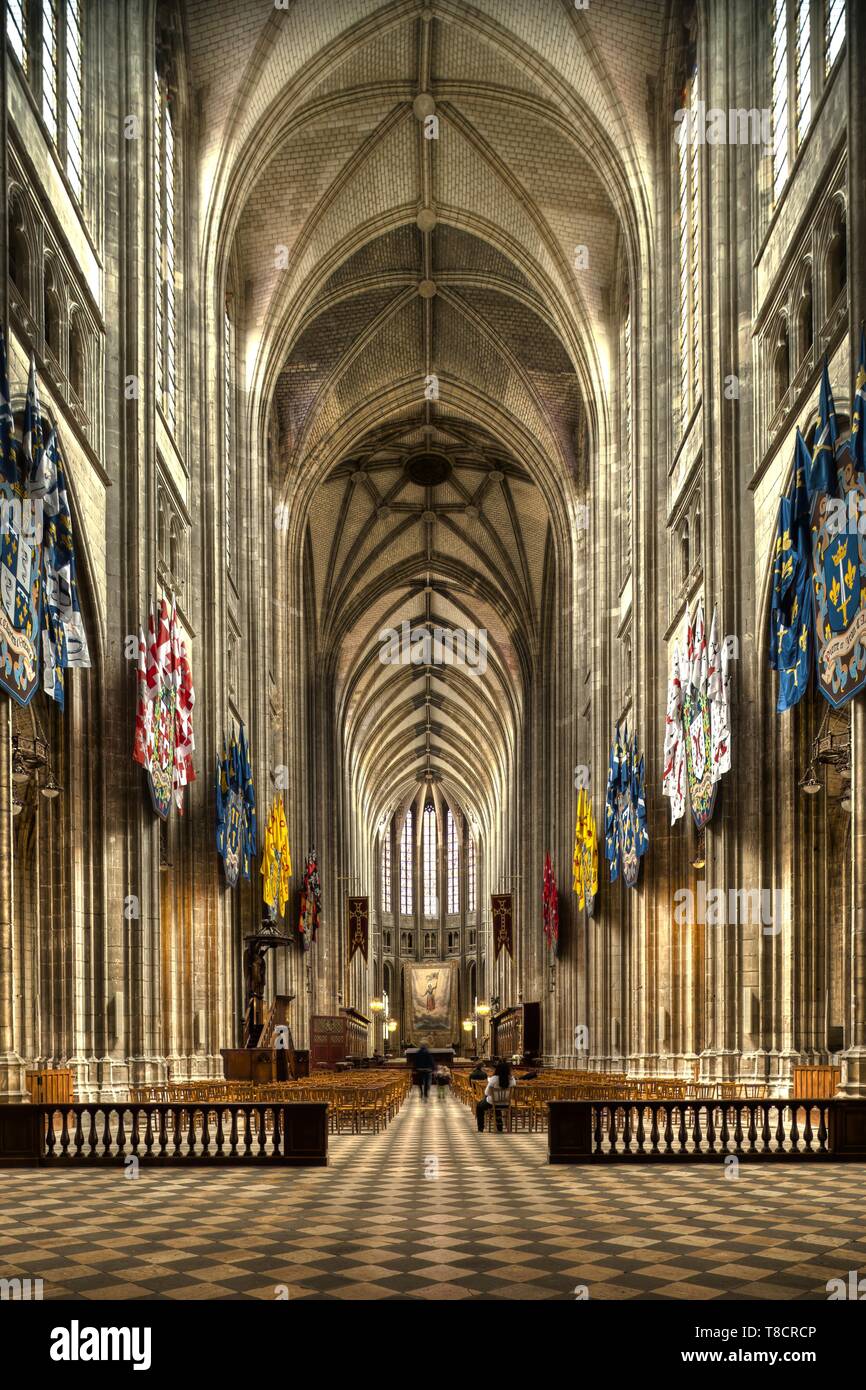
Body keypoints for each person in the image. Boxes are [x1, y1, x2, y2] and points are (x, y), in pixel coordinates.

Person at [476, 1058, 516, 1132]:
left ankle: (480, 1128)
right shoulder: (512, 1080)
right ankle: (499, 1126)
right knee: (497, 1106)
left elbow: (486, 1092)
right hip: (506, 1103)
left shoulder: (494, 1079)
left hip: (492, 1102)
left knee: (479, 1106)